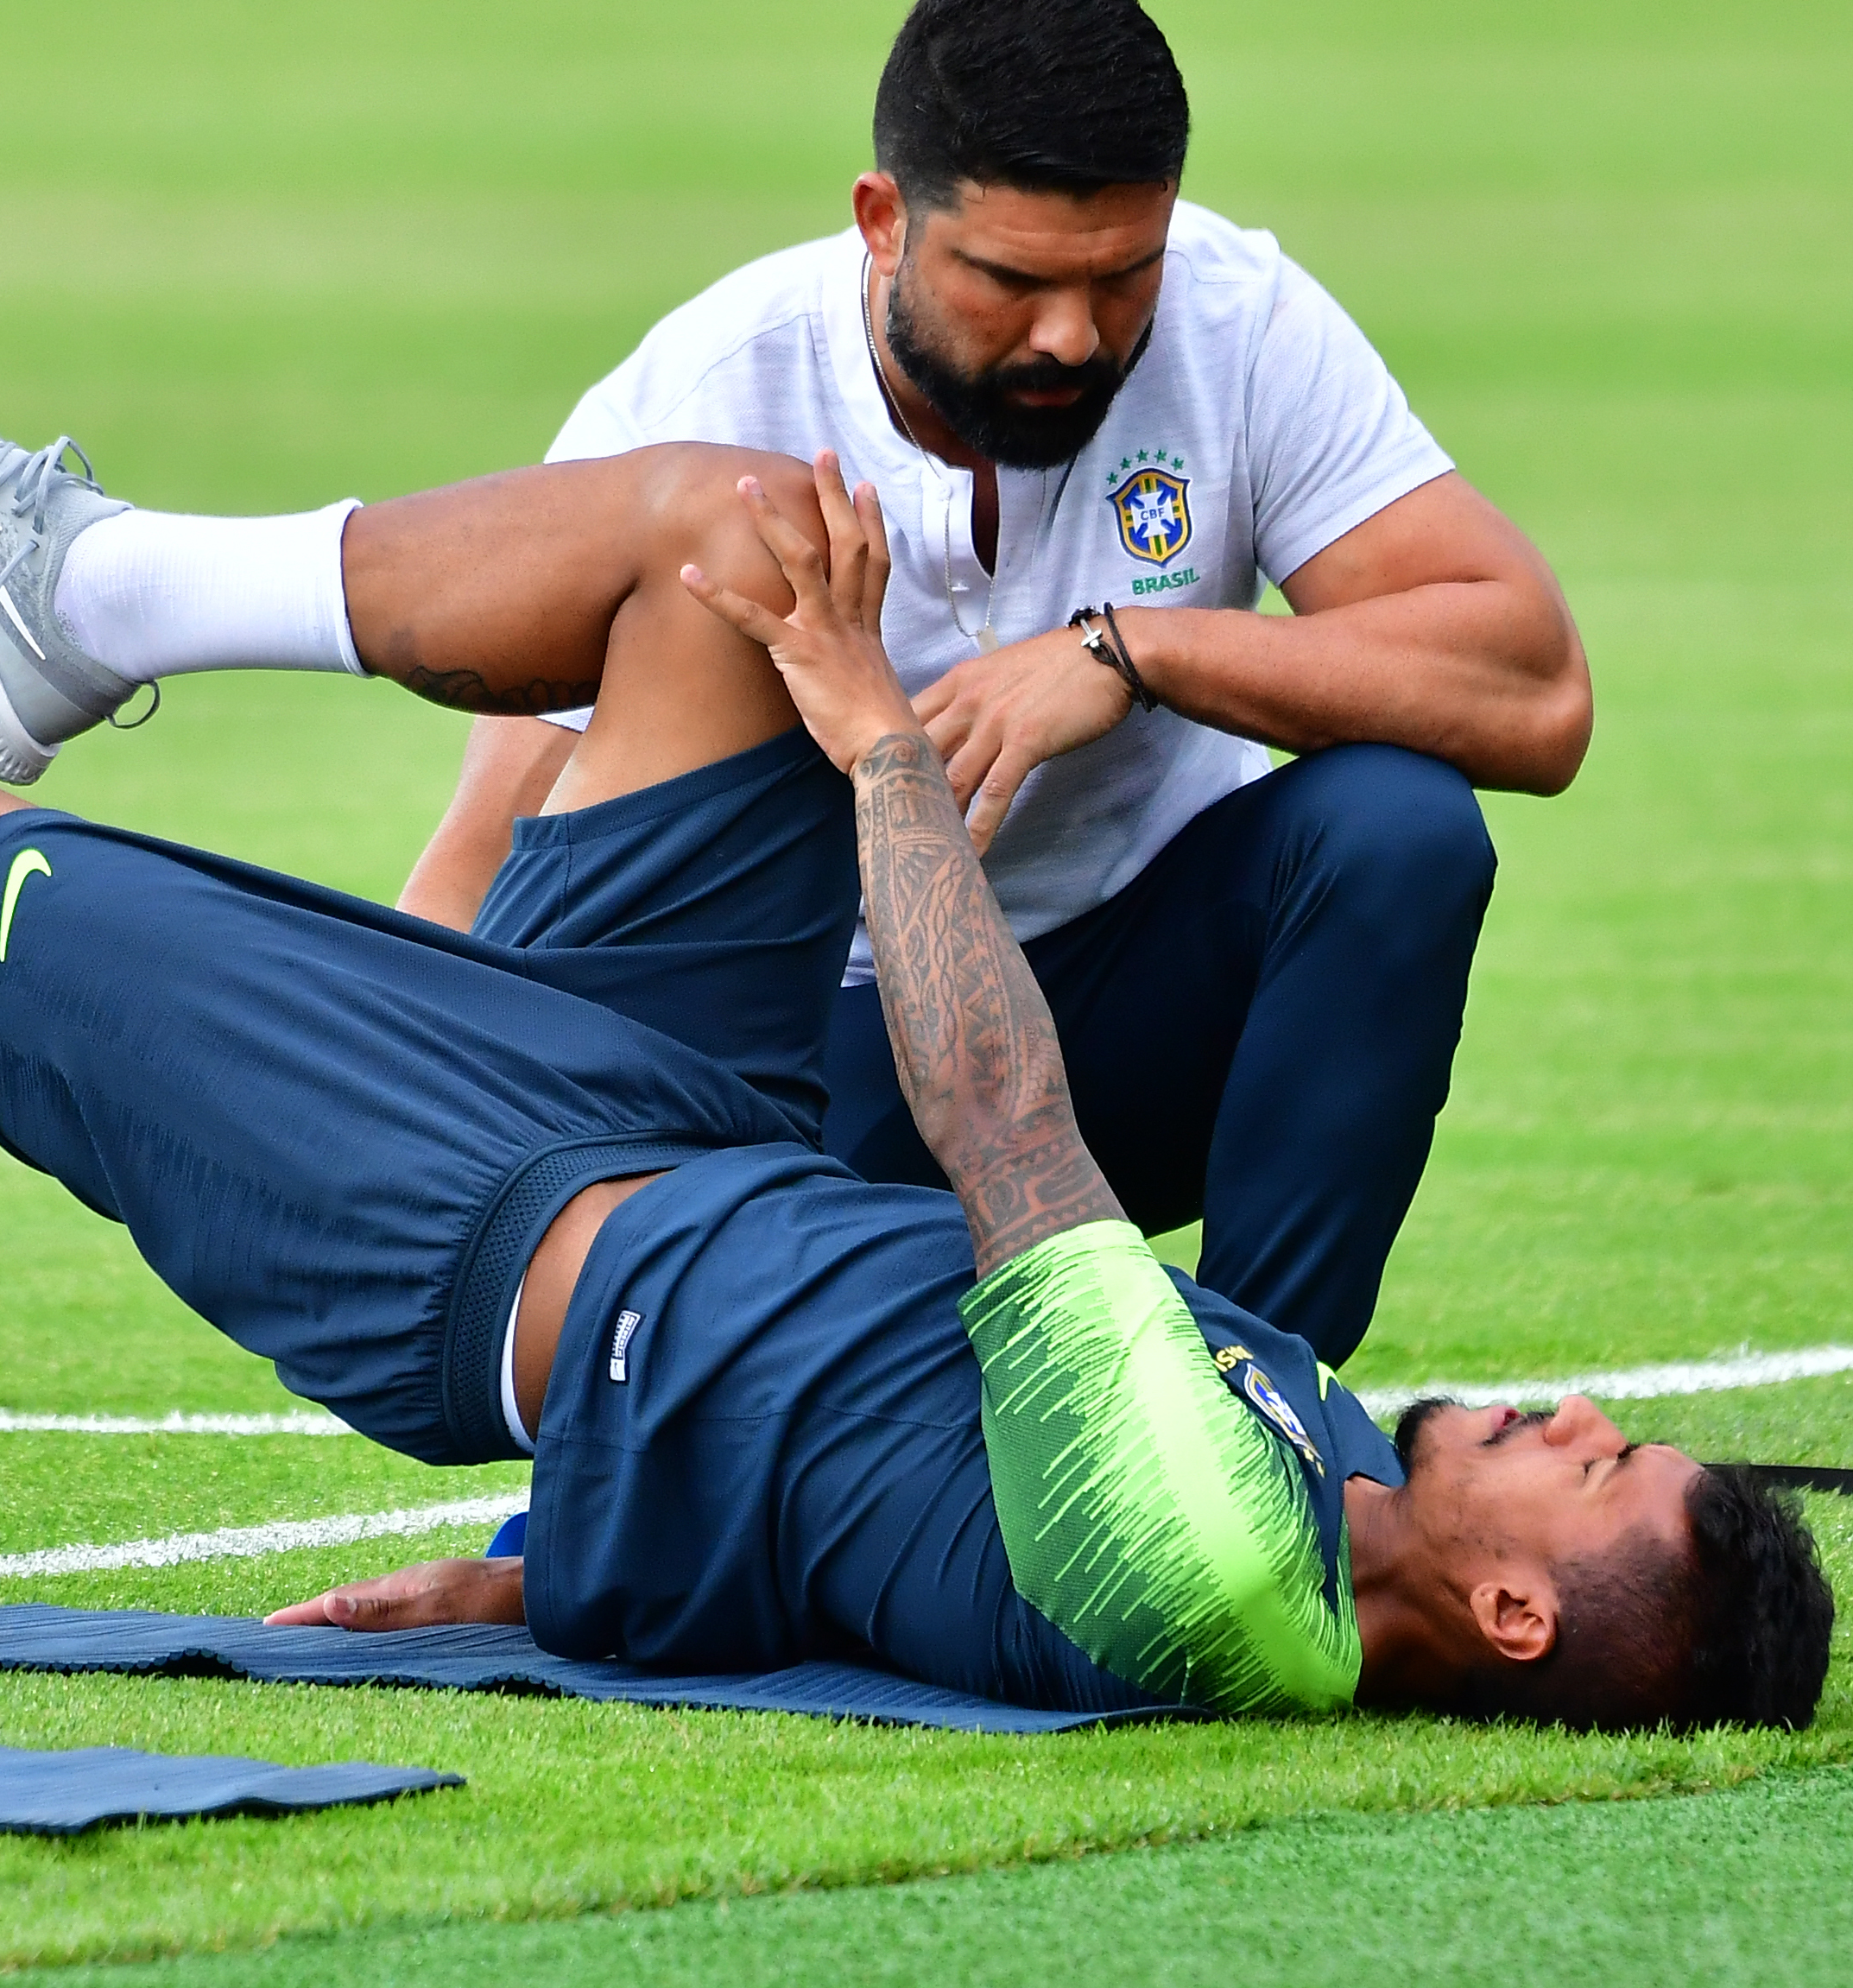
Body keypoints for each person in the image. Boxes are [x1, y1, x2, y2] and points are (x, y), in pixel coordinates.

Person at [0, 320, 1824, 1731]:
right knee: (730, 526)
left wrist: (875, 737)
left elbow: (997, 1120)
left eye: (1601, 1468)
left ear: (1512, 1618)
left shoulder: (1207, 1551)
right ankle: (93, 591)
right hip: (696, 1121)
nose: (1581, 1411)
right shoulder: (1324, 1477)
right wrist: (524, 1582)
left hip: (505, 1231)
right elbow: (856, 1525)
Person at [370, 0, 1590, 1371]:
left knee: (1397, 828)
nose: (1073, 334)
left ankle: (1256, 1414)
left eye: (1124, 275)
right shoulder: (701, 402)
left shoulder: (1240, 321)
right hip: (828, 1060)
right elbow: (497, 850)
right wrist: (429, 1186)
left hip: (1144, 1013)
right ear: (882, 220)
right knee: (792, 1382)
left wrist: (1133, 651)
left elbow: (1536, 692)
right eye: (1011, 280)